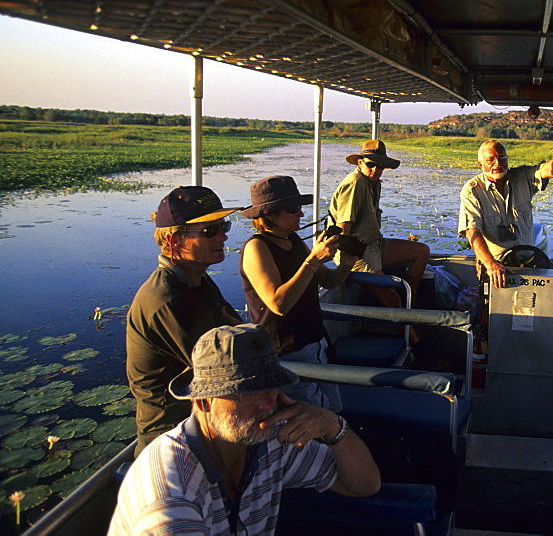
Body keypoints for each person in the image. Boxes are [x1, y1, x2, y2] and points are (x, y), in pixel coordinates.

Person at [110, 324, 380, 535]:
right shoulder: (173, 496)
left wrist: (334, 428)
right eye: (246, 394)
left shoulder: (270, 439)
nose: (266, 403)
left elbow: (363, 486)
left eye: (272, 387)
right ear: (203, 401)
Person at [458, 139, 553, 389]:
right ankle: (498, 371)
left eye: (502, 157)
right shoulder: (472, 190)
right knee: (499, 315)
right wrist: (490, 264)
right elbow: (472, 232)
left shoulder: (521, 178)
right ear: (480, 163)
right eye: (491, 159)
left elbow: (550, 168)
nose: (498, 163)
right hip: (497, 266)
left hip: (531, 260)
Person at [126, 186, 246, 455]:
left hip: (204, 419)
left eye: (222, 225)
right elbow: (220, 371)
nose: (224, 235)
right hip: (173, 438)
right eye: (209, 231)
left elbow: (234, 337)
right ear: (174, 241)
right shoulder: (168, 299)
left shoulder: (197, 279)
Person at [240, 175, 358, 413]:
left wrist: (345, 265)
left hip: (316, 343)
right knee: (315, 420)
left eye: (300, 208)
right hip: (287, 352)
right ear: (269, 214)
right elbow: (277, 303)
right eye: (292, 209)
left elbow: (328, 280)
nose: (301, 214)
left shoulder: (293, 240)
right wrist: (313, 260)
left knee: (334, 411)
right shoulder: (257, 247)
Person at [330, 140, 430, 308]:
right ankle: (411, 329)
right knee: (392, 299)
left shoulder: (373, 182)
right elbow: (343, 228)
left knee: (422, 251)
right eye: (371, 164)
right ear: (360, 162)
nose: (376, 170)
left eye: (381, 166)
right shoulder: (355, 183)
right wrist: (347, 264)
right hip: (359, 253)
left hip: (375, 244)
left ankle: (409, 303)